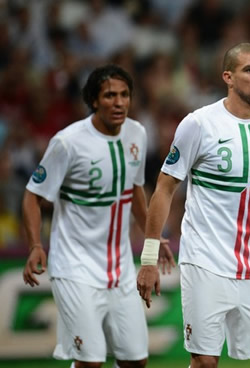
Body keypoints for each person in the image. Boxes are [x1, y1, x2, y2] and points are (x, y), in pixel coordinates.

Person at [137, 43, 250, 368]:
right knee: (205, 362)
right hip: (205, 263)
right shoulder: (199, 124)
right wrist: (149, 258)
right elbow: (164, 190)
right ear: (228, 77)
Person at [22, 64, 175, 368]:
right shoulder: (68, 142)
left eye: (124, 95)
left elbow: (135, 194)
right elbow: (32, 196)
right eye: (109, 96)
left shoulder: (137, 133)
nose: (118, 102)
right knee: (90, 362)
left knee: (135, 361)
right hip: (74, 267)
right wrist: (35, 245)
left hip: (118, 269)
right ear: (93, 100)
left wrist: (152, 240)